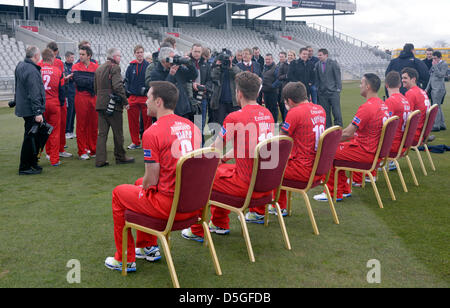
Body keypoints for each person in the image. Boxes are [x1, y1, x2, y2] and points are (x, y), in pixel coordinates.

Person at [104, 81, 201, 272]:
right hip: (192, 204)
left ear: (158, 102)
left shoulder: (152, 132)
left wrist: (144, 189)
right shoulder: (192, 126)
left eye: (148, 97)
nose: (145, 101)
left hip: (169, 206)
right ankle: (148, 246)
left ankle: (125, 258)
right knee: (139, 183)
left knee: (119, 193)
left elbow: (152, 180)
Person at [182, 71, 275, 239]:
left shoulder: (235, 117)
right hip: (265, 184)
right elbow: (248, 147)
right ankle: (218, 222)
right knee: (222, 171)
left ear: (238, 93)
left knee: (202, 176)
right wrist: (223, 159)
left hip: (247, 185)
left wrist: (198, 163)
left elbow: (214, 151)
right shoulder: (267, 114)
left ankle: (197, 230)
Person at [313, 73, 389, 202]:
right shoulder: (383, 105)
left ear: (368, 86)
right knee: (337, 149)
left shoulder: (368, 107)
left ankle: (333, 192)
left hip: (366, 152)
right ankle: (343, 189)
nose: (360, 86)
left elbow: (348, 133)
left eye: (362, 83)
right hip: (374, 151)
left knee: (327, 151)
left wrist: (326, 141)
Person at [268, 81, 327, 217]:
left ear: (289, 100)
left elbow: (280, 141)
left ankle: (262, 210)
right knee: (278, 162)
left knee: (266, 165)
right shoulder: (320, 109)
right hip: (318, 167)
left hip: (302, 168)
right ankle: (279, 205)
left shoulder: (295, 112)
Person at [94, 48, 135, 168]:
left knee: (102, 134)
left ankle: (100, 160)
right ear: (114, 56)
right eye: (119, 56)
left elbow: (95, 88)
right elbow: (117, 86)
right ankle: (120, 157)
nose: (120, 58)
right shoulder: (115, 68)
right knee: (118, 133)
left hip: (100, 103)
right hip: (113, 104)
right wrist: (125, 101)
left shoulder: (99, 68)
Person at [14, 46, 46, 175]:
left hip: (25, 107)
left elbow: (18, 86)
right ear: (36, 56)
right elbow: (34, 92)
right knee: (30, 138)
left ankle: (32, 163)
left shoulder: (20, 65)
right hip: (30, 109)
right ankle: (25, 166)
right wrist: (38, 111)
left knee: (32, 136)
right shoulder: (32, 70)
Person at [148, 47, 198, 120]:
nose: (173, 60)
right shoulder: (155, 73)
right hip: (167, 110)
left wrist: (190, 64)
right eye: (171, 58)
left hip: (182, 108)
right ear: (164, 60)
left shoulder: (177, 67)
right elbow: (162, 91)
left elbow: (193, 75)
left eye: (173, 57)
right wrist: (171, 75)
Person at [72, 45, 99, 160]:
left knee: (94, 124)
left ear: (89, 56)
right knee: (81, 125)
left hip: (93, 97)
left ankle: (93, 149)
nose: (80, 56)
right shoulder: (75, 66)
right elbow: (79, 82)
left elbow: (97, 82)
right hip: (81, 97)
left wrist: (87, 81)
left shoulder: (96, 67)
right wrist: (90, 81)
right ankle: (82, 150)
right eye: (80, 54)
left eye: (83, 54)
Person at [40, 48, 65, 167]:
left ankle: (40, 155)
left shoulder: (38, 70)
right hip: (54, 103)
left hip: (41, 104)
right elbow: (62, 90)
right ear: (52, 58)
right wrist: (60, 104)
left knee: (41, 131)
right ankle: (54, 159)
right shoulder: (57, 71)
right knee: (55, 132)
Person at [125, 44, 151, 150]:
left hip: (145, 97)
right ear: (134, 54)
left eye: (141, 52)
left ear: (143, 53)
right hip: (133, 97)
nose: (139, 54)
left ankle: (147, 142)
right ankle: (135, 142)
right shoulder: (130, 66)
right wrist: (127, 94)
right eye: (137, 52)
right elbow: (127, 81)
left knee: (147, 121)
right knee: (133, 122)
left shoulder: (148, 66)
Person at [210, 49, 242, 125]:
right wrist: (217, 67)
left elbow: (239, 74)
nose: (226, 60)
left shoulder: (235, 67)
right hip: (220, 101)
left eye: (228, 58)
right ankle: (220, 137)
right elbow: (212, 77)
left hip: (233, 101)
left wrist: (231, 67)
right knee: (219, 124)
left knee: (235, 124)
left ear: (232, 58)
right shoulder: (216, 68)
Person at [315, 48, 343, 128]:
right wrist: (318, 88)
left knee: (336, 111)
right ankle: (328, 129)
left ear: (326, 55)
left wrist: (338, 89)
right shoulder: (317, 65)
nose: (319, 56)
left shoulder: (333, 63)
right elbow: (317, 79)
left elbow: (338, 76)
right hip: (322, 93)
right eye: (318, 55)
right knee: (326, 112)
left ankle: (338, 128)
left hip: (333, 92)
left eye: (320, 55)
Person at [402, 67, 431, 144]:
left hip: (414, 135)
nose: (402, 80)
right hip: (422, 132)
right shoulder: (422, 91)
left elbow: (406, 117)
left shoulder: (410, 93)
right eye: (402, 78)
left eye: (405, 78)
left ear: (413, 79)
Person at [426, 51, 448, 131]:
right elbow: (431, 77)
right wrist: (427, 89)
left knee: (436, 107)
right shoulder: (434, 64)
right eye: (433, 58)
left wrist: (435, 66)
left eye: (435, 58)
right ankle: (442, 125)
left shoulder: (444, 64)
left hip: (439, 89)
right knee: (438, 107)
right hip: (433, 88)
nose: (434, 60)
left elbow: (441, 75)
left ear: (440, 58)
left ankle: (436, 125)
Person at [261, 53, 280, 122]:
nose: (267, 61)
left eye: (269, 59)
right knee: (268, 108)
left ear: (272, 59)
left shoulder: (276, 68)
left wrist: (272, 86)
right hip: (265, 92)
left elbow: (279, 79)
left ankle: (275, 124)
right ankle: (270, 122)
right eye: (266, 59)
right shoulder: (264, 67)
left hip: (273, 92)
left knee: (274, 109)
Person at [64, 51, 76, 140]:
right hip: (68, 92)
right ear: (67, 58)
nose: (73, 59)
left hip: (74, 92)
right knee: (69, 112)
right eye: (71, 57)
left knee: (73, 112)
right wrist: (70, 76)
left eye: (73, 57)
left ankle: (71, 130)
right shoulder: (64, 66)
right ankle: (66, 131)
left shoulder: (74, 66)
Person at [276, 51, 289, 122]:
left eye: (282, 57)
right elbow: (277, 77)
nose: (281, 58)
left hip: (285, 87)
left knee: (285, 105)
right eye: (280, 57)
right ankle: (284, 120)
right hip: (278, 88)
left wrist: (284, 76)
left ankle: (286, 120)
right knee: (280, 104)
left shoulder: (287, 65)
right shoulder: (277, 65)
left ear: (285, 57)